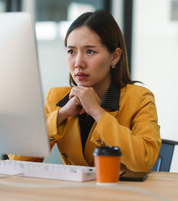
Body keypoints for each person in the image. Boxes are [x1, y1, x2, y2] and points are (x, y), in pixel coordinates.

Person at [9, 10, 161, 172]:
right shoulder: (57, 98)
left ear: (115, 56)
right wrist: (61, 115)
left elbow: (145, 160)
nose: (78, 63)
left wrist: (97, 111)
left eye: (90, 51)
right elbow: (18, 158)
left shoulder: (139, 98)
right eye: (71, 51)